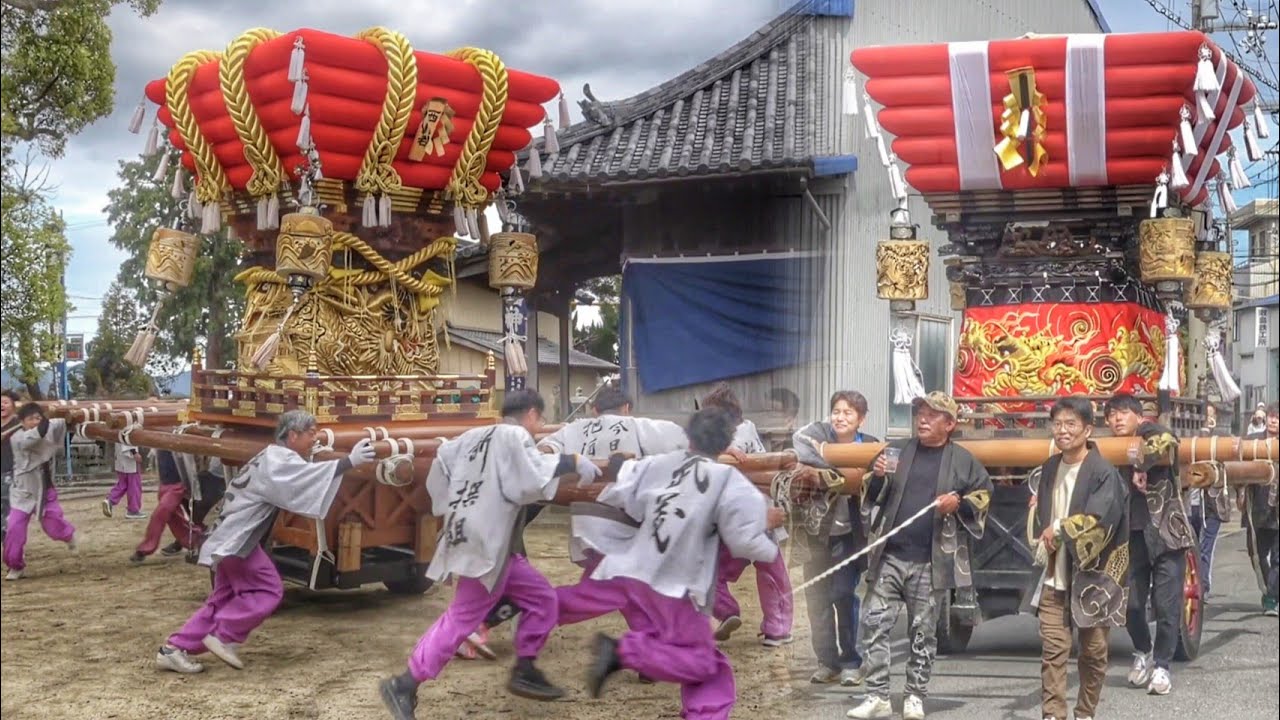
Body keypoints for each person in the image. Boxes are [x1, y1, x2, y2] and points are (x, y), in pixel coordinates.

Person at [378, 390, 602, 718]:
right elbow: (528, 478)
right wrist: (573, 462)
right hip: (486, 544)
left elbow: (441, 470)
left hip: (482, 539)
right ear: (530, 414)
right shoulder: (515, 436)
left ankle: (525, 667)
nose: (537, 427)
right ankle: (405, 683)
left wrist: (452, 507)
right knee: (462, 618)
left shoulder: (470, 436)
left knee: (543, 600)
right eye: (538, 420)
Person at [582, 407, 787, 720]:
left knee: (704, 662)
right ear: (727, 442)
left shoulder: (664, 460)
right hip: (670, 578)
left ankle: (635, 656)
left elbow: (624, 493)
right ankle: (625, 653)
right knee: (704, 663)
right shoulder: (719, 476)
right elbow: (741, 537)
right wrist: (766, 532)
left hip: (644, 567)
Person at [153, 410, 376, 673]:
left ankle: (173, 648)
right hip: (238, 540)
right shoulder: (278, 460)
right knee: (268, 589)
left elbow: (302, 476)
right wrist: (348, 462)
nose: (314, 439)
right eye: (311, 434)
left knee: (223, 600)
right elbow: (304, 481)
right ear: (292, 436)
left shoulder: (273, 456)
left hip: (226, 535)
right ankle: (225, 636)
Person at [478, 385, 687, 653]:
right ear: (626, 408)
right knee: (610, 591)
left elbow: (544, 449)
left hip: (588, 522)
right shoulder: (641, 426)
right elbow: (685, 441)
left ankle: (648, 648)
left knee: (630, 591)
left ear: (595, 410)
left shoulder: (576, 429)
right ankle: (522, 609)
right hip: (624, 527)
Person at [847, 392, 992, 720]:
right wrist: (879, 475)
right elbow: (870, 494)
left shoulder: (962, 460)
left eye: (932, 414)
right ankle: (877, 694)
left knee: (923, 630)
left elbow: (983, 494)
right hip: (890, 555)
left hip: (931, 559)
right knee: (875, 623)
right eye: (920, 413)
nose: (923, 419)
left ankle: (914, 695)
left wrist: (960, 503)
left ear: (950, 424)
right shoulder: (897, 451)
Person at [1028, 396, 1129, 720]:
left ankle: (1085, 711)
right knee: (1053, 651)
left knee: (1094, 652)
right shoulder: (1049, 467)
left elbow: (1102, 518)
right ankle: (1053, 714)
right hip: (1055, 576)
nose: (1062, 430)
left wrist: (1059, 528)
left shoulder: (1103, 471)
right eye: (1057, 424)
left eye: (1071, 424)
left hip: (1094, 578)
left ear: (1088, 429)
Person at [1104, 392, 1194, 696]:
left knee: (1166, 605)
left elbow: (1167, 439)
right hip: (1131, 536)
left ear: (1136, 415)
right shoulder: (1110, 446)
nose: (1116, 420)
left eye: (1121, 413)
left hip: (1166, 535)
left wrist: (1142, 465)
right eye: (1111, 415)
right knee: (1131, 605)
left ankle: (1162, 666)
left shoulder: (1150, 432)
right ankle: (1142, 651)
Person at [792, 390, 879, 686]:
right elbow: (799, 440)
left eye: (848, 413)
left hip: (850, 536)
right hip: (817, 534)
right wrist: (825, 468)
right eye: (837, 411)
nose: (840, 417)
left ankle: (852, 661)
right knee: (816, 600)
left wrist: (826, 476)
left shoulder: (870, 447)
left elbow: (883, 482)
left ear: (861, 419)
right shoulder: (817, 436)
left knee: (843, 595)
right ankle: (826, 662)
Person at [702, 383, 794, 648]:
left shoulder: (727, 438)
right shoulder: (750, 431)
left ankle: (728, 610)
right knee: (773, 575)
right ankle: (777, 629)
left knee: (713, 575)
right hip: (762, 516)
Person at [3, 402, 79, 580]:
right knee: (14, 527)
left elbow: (65, 424)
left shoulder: (47, 426)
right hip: (23, 490)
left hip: (45, 488)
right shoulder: (18, 438)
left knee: (52, 524)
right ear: (21, 422)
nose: (35, 422)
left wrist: (69, 416)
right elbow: (40, 433)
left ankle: (68, 536)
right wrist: (47, 416)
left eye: (38, 418)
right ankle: (16, 565)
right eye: (31, 419)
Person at [130, 450, 206, 564]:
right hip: (164, 484)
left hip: (178, 485)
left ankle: (144, 549)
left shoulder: (179, 436)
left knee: (160, 514)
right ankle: (199, 540)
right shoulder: (158, 439)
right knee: (174, 519)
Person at [1240, 402, 1278, 616]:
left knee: (1278, 558)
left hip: (1278, 510)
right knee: (1256, 554)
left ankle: (1272, 597)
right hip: (1257, 507)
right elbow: (1237, 465)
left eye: (1277, 417)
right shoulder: (1253, 442)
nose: (1273, 420)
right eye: (1271, 416)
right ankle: (1269, 591)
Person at [104, 440, 146, 520]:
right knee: (134, 485)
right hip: (129, 457)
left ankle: (110, 500)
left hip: (120, 457)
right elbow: (127, 436)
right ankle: (133, 510)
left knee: (123, 484)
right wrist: (134, 453)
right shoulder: (126, 427)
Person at [1, 389, 21, 543]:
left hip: (12, 472)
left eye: (5, 402)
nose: (2, 405)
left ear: (13, 405)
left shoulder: (20, 424)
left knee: (9, 508)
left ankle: (12, 542)